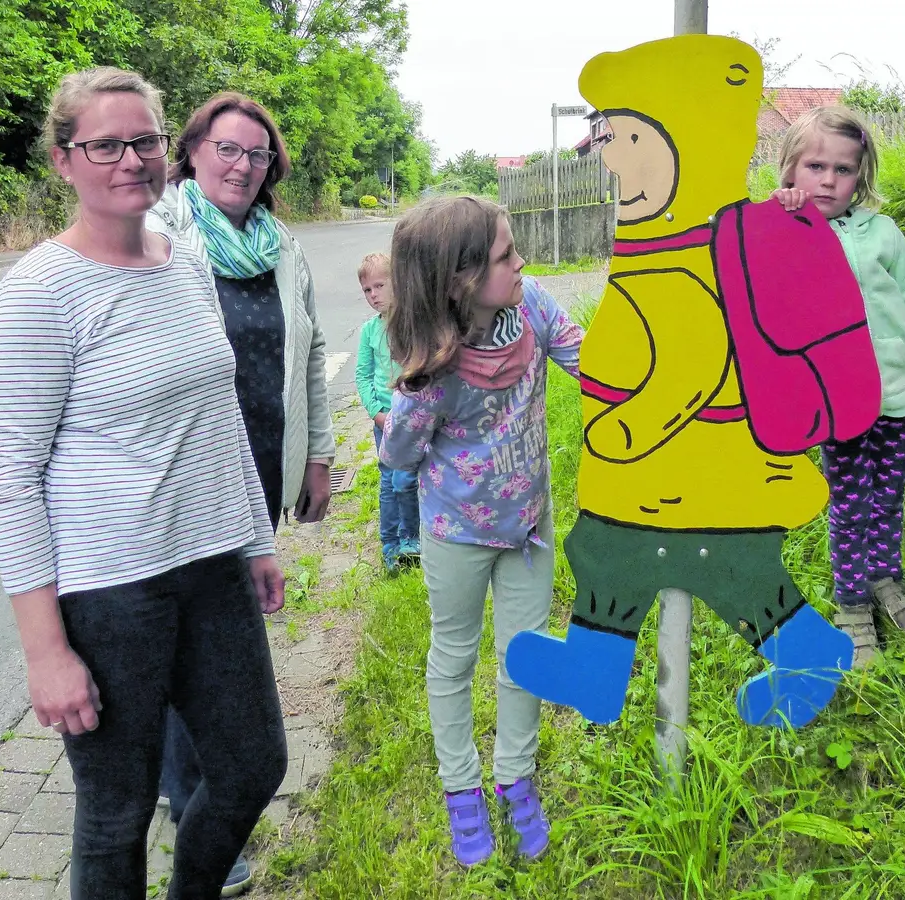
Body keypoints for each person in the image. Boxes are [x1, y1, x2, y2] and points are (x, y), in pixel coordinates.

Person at [0, 67, 288, 900]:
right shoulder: (39, 295)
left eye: (144, 140)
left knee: (253, 765)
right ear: (63, 160)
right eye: (105, 144)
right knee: (116, 811)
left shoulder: (184, 261)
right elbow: (8, 481)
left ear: (168, 148)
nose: (131, 159)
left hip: (213, 567)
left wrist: (255, 541)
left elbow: (218, 413)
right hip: (110, 593)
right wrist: (46, 652)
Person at [144, 91, 338, 894]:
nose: (243, 166)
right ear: (192, 151)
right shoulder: (158, 233)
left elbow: (314, 345)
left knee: (204, 632)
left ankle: (178, 780)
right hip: (181, 477)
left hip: (260, 463)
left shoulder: (280, 245)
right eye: (227, 149)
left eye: (257, 156)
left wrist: (319, 455)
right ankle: (198, 807)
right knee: (200, 641)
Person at [377, 196, 584, 866]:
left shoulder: (534, 309)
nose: (521, 261)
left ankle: (515, 776)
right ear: (460, 279)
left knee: (524, 654)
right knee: (456, 657)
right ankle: (461, 788)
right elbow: (399, 459)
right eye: (504, 255)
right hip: (456, 536)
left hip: (528, 526)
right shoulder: (432, 373)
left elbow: (590, 361)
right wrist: (412, 395)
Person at [771, 105, 905, 668]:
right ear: (789, 171)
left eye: (844, 170)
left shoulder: (883, 233)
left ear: (862, 175)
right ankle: (852, 607)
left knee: (887, 501)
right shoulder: (785, 232)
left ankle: (885, 583)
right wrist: (783, 218)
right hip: (839, 406)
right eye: (815, 166)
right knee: (850, 505)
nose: (829, 180)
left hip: (898, 398)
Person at [354, 252, 421, 572]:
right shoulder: (369, 331)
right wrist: (376, 412)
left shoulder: (414, 323)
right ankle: (390, 543)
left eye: (380, 286)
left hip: (413, 419)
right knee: (389, 482)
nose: (374, 295)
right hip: (385, 421)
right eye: (367, 290)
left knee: (407, 480)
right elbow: (363, 376)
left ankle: (412, 538)